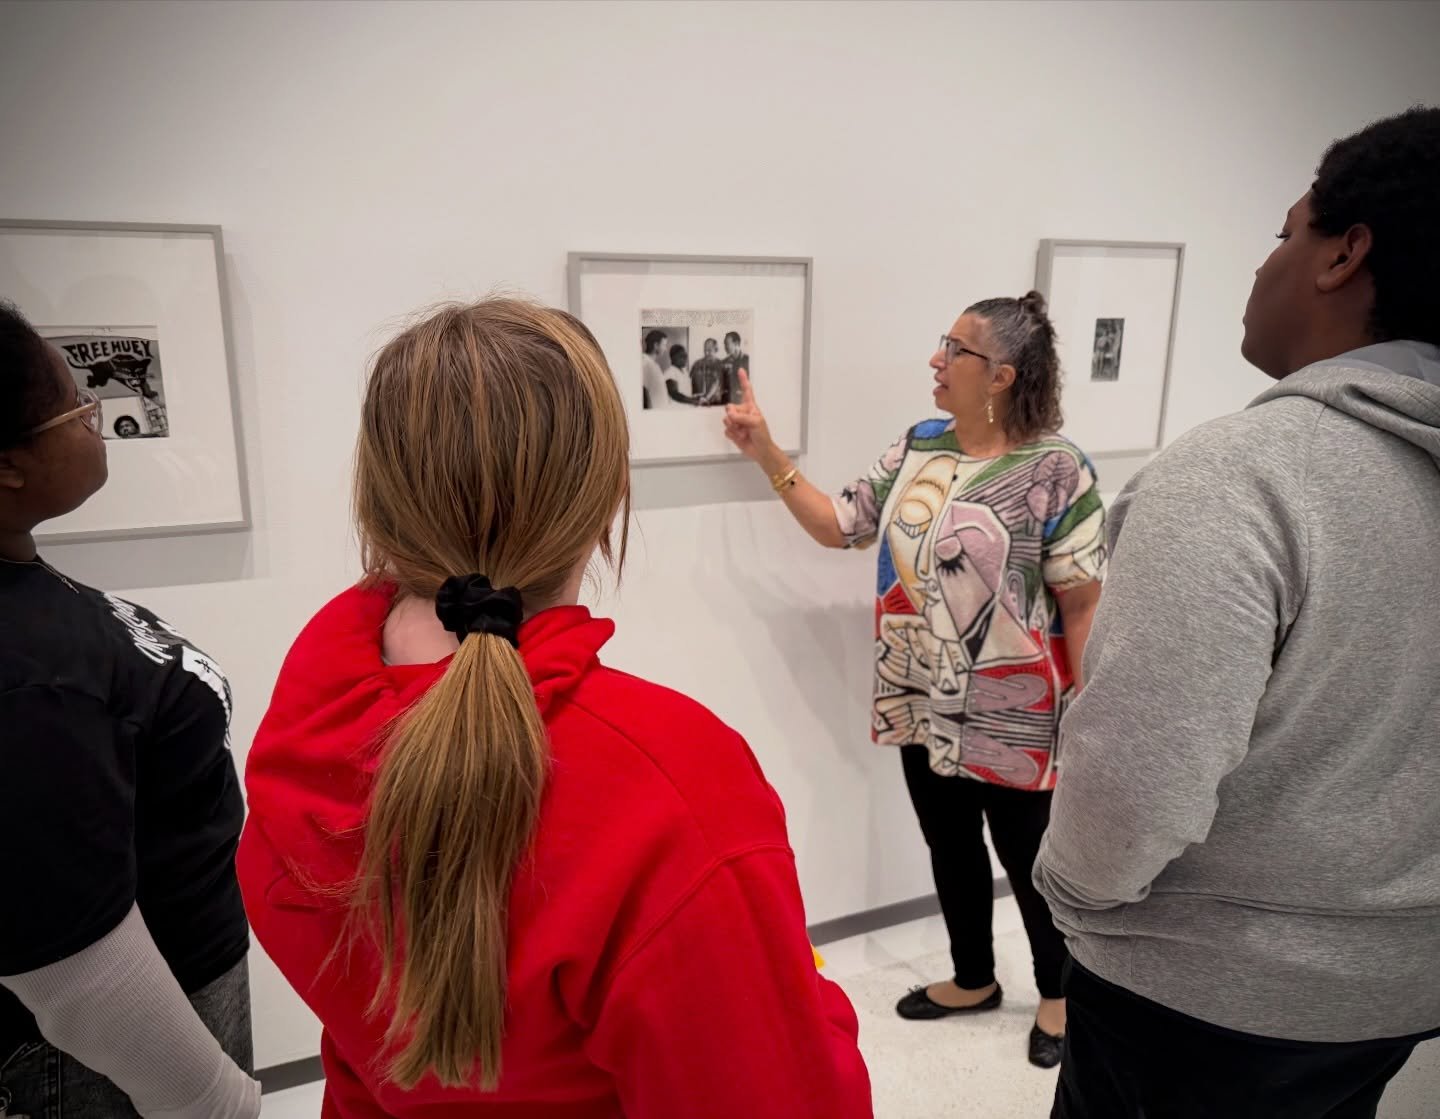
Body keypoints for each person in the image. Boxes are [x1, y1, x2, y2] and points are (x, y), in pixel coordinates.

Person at [238, 299, 873, 1117]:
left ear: (380, 500)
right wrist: (811, 998)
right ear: (605, 500)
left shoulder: (302, 726)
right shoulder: (670, 784)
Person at [1035, 105, 1440, 1119]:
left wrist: (1074, 900)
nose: (1262, 264)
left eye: (1283, 231)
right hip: (1397, 991)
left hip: (1201, 997)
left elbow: (1134, 782)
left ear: (1344, 254)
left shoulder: (1240, 477)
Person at [724, 291, 1106, 1069]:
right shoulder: (919, 445)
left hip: (1017, 708)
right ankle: (973, 977)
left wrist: (1094, 709)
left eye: (955, 349)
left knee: (1029, 857)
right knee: (948, 840)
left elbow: (1083, 598)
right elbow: (840, 524)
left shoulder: (1057, 469)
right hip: (920, 692)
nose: (937, 359)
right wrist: (766, 452)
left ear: (1001, 374)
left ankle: (1059, 994)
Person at [0, 302, 257, 1118]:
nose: (94, 417)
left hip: (173, 1000)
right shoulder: (26, 679)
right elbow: (69, 959)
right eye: (76, 408)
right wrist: (213, 1097)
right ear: (9, 465)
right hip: (120, 1062)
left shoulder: (28, 596)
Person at [690, 336, 728, 403]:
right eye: (705, 350)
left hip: (715, 403)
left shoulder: (721, 365)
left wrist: (706, 398)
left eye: (709, 350)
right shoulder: (697, 364)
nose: (706, 353)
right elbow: (690, 382)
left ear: (716, 350)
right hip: (698, 402)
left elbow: (717, 382)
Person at [640, 327, 667, 409]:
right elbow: (643, 391)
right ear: (656, 345)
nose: (665, 349)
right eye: (664, 345)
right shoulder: (644, 362)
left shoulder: (654, 365)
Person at [721, 330, 750, 402]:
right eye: (724, 344)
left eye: (727, 344)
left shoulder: (747, 360)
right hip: (727, 400)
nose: (725, 347)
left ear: (736, 343)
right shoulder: (723, 362)